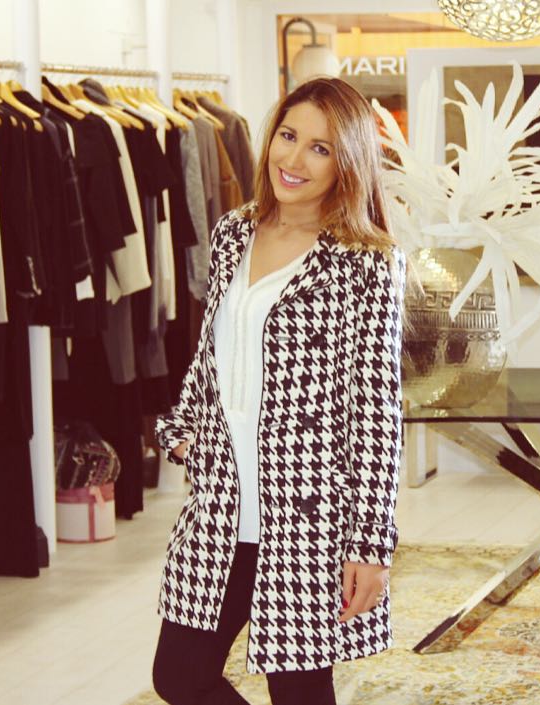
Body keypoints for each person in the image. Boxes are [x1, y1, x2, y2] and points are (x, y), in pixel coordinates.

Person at [151, 76, 407, 705]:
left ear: (347, 162)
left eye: (321, 148)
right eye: (288, 136)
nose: (294, 159)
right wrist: (183, 430)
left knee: (299, 690)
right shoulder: (233, 233)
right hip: (219, 502)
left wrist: (369, 544)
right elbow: (212, 348)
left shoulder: (366, 261)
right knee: (179, 675)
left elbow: (375, 411)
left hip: (307, 513)